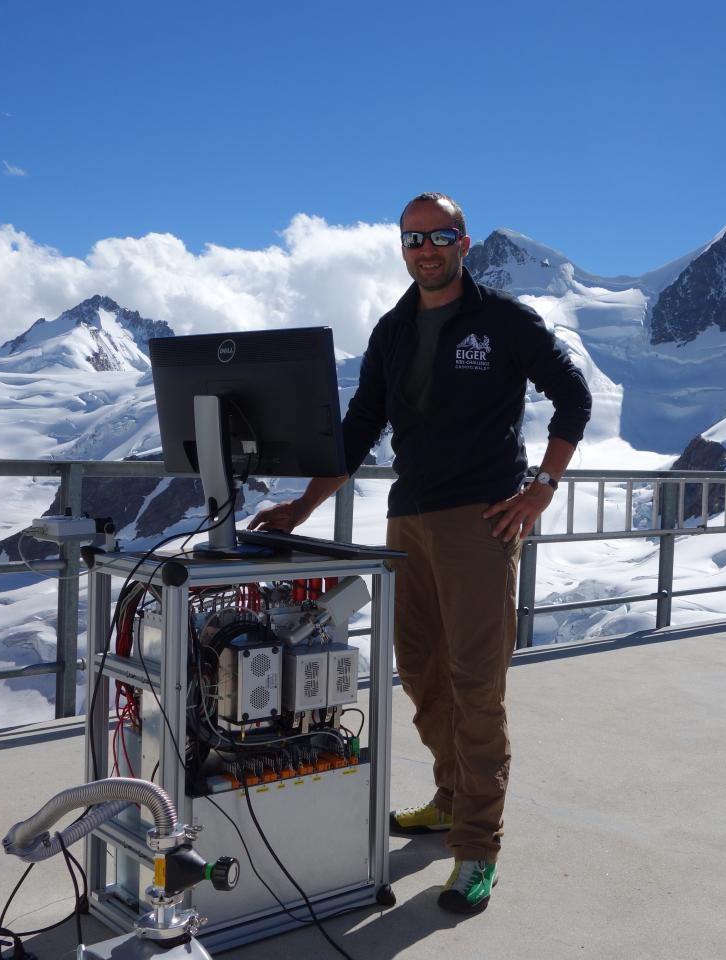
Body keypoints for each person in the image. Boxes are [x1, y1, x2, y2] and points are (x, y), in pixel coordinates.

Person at [251, 192, 591, 914]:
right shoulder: (393, 330)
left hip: (481, 522)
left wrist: (542, 489)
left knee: (476, 687)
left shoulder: (503, 319)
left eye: (439, 236)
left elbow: (574, 397)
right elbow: (359, 428)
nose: (425, 248)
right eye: (412, 239)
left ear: (464, 243)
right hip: (408, 520)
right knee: (421, 677)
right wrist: (301, 507)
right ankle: (447, 800)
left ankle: (476, 848)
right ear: (402, 248)